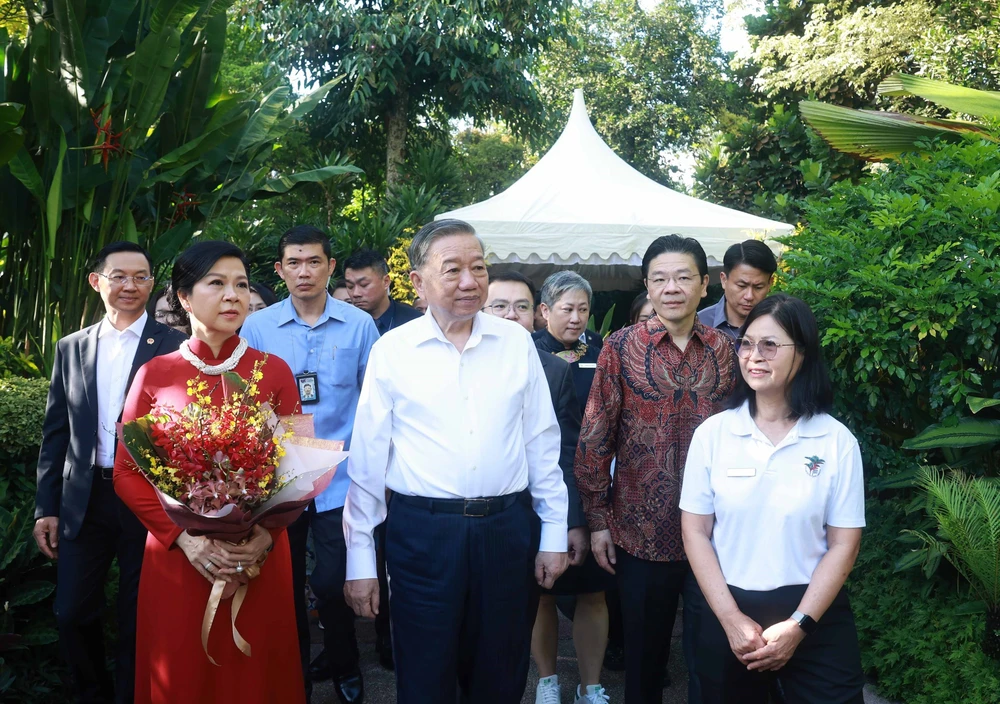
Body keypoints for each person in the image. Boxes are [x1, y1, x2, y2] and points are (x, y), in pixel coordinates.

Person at [343, 219, 569, 704]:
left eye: (478, 267)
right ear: (418, 281)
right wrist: (361, 561)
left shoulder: (515, 345)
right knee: (425, 675)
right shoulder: (393, 352)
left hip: (506, 531)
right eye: (453, 270)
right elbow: (366, 467)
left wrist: (552, 534)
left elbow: (542, 446)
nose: (470, 282)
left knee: (502, 672)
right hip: (423, 536)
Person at [112, 241, 303, 702]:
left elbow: (302, 467)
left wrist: (266, 536)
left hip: (256, 559)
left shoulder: (275, 372)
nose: (232, 295)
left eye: (240, 284)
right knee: (182, 674)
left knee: (257, 676)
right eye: (216, 283)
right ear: (183, 296)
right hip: (181, 561)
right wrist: (186, 540)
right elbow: (126, 471)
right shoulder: (154, 374)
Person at [575, 235, 738, 704]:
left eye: (684, 277)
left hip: (717, 533)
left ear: (704, 285)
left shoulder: (728, 351)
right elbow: (594, 436)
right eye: (660, 279)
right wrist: (598, 521)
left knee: (715, 659)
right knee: (644, 665)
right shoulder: (620, 346)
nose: (672, 288)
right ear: (646, 286)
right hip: (641, 532)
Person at [680, 294, 866, 703]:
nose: (754, 356)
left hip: (812, 610)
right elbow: (695, 532)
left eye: (770, 345)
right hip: (726, 606)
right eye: (746, 343)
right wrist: (730, 619)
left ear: (803, 353)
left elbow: (844, 543)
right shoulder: (713, 434)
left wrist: (799, 625)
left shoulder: (836, 440)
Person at [34, 242, 186, 704]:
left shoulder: (176, 347)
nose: (130, 286)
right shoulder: (71, 347)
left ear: (152, 284)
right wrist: (47, 507)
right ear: (96, 281)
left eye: (141, 277)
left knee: (139, 615)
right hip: (85, 499)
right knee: (71, 613)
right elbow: (56, 431)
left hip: (147, 500)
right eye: (119, 276)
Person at [241, 226, 378, 704]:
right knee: (281, 583)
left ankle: (344, 662)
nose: (304, 271)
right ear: (279, 270)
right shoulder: (257, 328)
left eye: (314, 262)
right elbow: (247, 399)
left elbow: (373, 402)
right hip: (278, 478)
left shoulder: (359, 326)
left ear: (329, 267)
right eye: (294, 263)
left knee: (329, 581)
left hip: (339, 478)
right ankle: (293, 673)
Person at [483, 271, 613, 704]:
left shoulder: (594, 352)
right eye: (499, 307)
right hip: (515, 504)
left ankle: (591, 685)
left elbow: (572, 444)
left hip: (577, 487)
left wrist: (578, 516)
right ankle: (547, 680)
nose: (576, 317)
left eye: (582, 309)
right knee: (538, 594)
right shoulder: (527, 352)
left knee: (591, 591)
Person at [533, 271, 603, 418]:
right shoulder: (530, 351)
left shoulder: (598, 356)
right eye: (568, 309)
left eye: (583, 310)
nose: (576, 319)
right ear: (545, 311)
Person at [697, 240, 777, 339]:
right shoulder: (699, 324)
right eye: (741, 286)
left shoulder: (779, 325)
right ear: (724, 280)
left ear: (770, 284)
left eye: (758, 287)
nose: (749, 296)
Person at [343, 247, 423, 334]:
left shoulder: (415, 322)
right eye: (350, 286)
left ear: (386, 282)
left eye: (364, 285)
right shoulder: (342, 325)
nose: (356, 293)